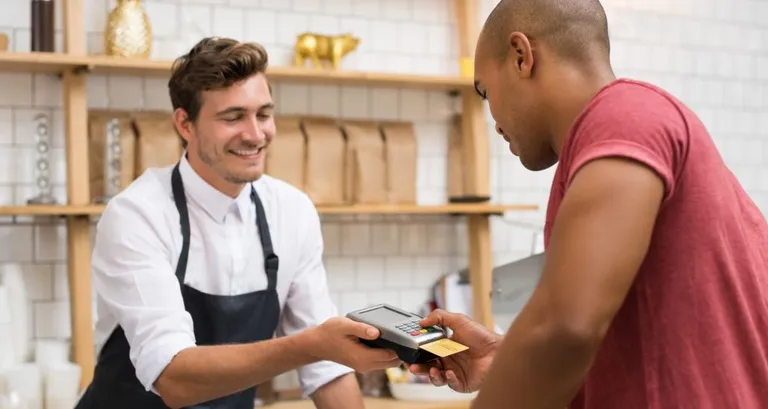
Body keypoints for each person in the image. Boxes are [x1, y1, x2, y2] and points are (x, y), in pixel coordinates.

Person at [408, 0, 768, 408]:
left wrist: (538, 352)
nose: (493, 120)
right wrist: (503, 359)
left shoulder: (626, 117)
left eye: (485, 91)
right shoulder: (620, 132)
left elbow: (563, 329)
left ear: (522, 56)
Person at [74, 37, 401, 409]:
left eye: (263, 114)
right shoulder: (138, 215)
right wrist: (311, 345)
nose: (255, 135)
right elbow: (173, 378)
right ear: (185, 124)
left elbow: (326, 370)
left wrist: (320, 348)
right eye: (233, 117)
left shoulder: (292, 211)